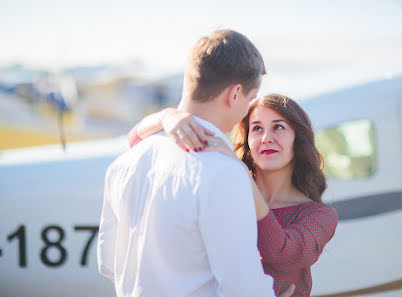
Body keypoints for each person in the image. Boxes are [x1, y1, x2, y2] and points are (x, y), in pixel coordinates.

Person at [97, 30, 295, 297]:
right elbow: (243, 287)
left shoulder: (125, 162)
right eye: (249, 100)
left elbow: (108, 263)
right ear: (235, 93)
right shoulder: (225, 172)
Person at [128, 93, 338, 297]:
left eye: (278, 127)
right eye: (256, 129)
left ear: (298, 140)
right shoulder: (225, 193)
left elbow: (281, 253)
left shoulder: (320, 215)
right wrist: (168, 116)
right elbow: (136, 140)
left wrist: (242, 178)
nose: (266, 138)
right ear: (247, 140)